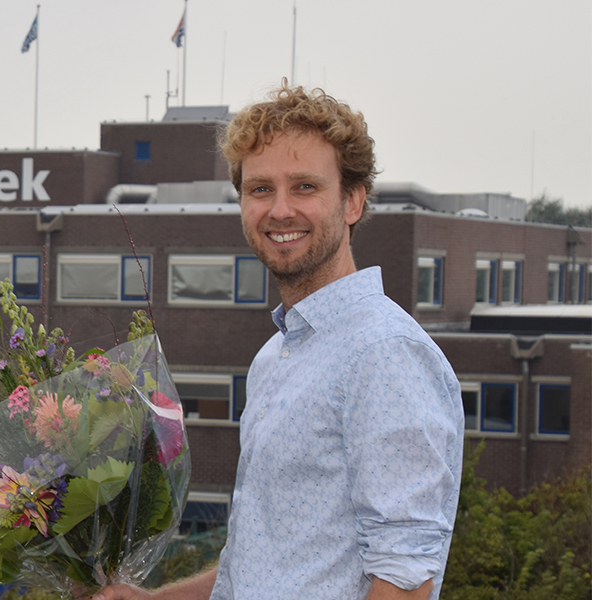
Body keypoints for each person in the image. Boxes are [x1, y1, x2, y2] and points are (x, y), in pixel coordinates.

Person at [96, 85, 464, 599]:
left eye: (306, 187)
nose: (280, 210)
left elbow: (404, 576)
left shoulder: (383, 352)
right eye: (260, 189)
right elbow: (261, 566)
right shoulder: (278, 355)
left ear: (353, 200)